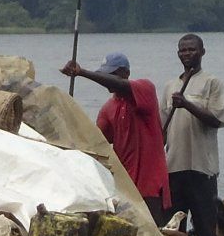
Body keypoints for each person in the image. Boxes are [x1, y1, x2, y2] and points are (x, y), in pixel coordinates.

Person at [61, 52, 170, 224]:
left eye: (110, 75)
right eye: (104, 74)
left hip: (150, 184)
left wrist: (83, 73)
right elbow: (95, 143)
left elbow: (121, 86)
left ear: (125, 73)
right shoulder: (108, 108)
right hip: (124, 186)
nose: (105, 80)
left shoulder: (145, 89)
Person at [159, 33, 224, 236]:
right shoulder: (170, 86)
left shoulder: (212, 83)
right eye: (182, 50)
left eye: (191, 49)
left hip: (202, 168)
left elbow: (216, 119)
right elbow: (161, 129)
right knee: (172, 228)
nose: (186, 53)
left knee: (206, 227)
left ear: (202, 52)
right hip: (174, 167)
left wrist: (187, 104)